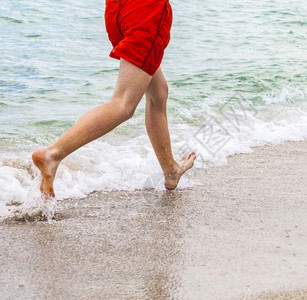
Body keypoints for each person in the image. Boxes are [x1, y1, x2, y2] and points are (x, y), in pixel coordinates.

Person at [32, 0, 196, 198]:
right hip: (146, 12)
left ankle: (171, 171)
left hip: (118, 10)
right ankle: (53, 154)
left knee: (158, 93)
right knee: (124, 104)